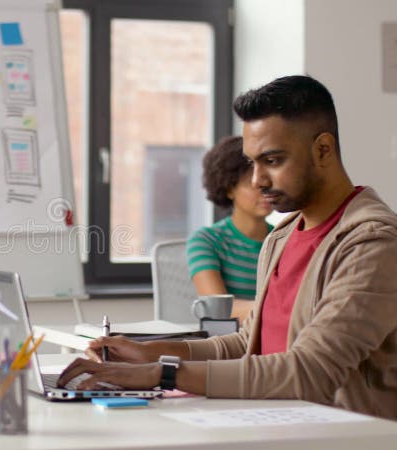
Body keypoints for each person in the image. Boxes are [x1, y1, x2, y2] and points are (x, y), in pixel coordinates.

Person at [58, 75, 397, 419]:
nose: (257, 180)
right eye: (253, 163)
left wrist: (162, 374)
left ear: (323, 149)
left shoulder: (372, 243)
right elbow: (245, 343)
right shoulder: (282, 236)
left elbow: (309, 371)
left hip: (344, 434)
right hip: (281, 422)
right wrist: (150, 353)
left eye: (273, 160)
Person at [188, 136, 274, 320]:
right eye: (253, 184)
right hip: (229, 343)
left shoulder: (285, 239)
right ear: (229, 189)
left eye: (268, 181)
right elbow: (217, 308)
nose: (266, 190)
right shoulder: (206, 241)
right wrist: (283, 311)